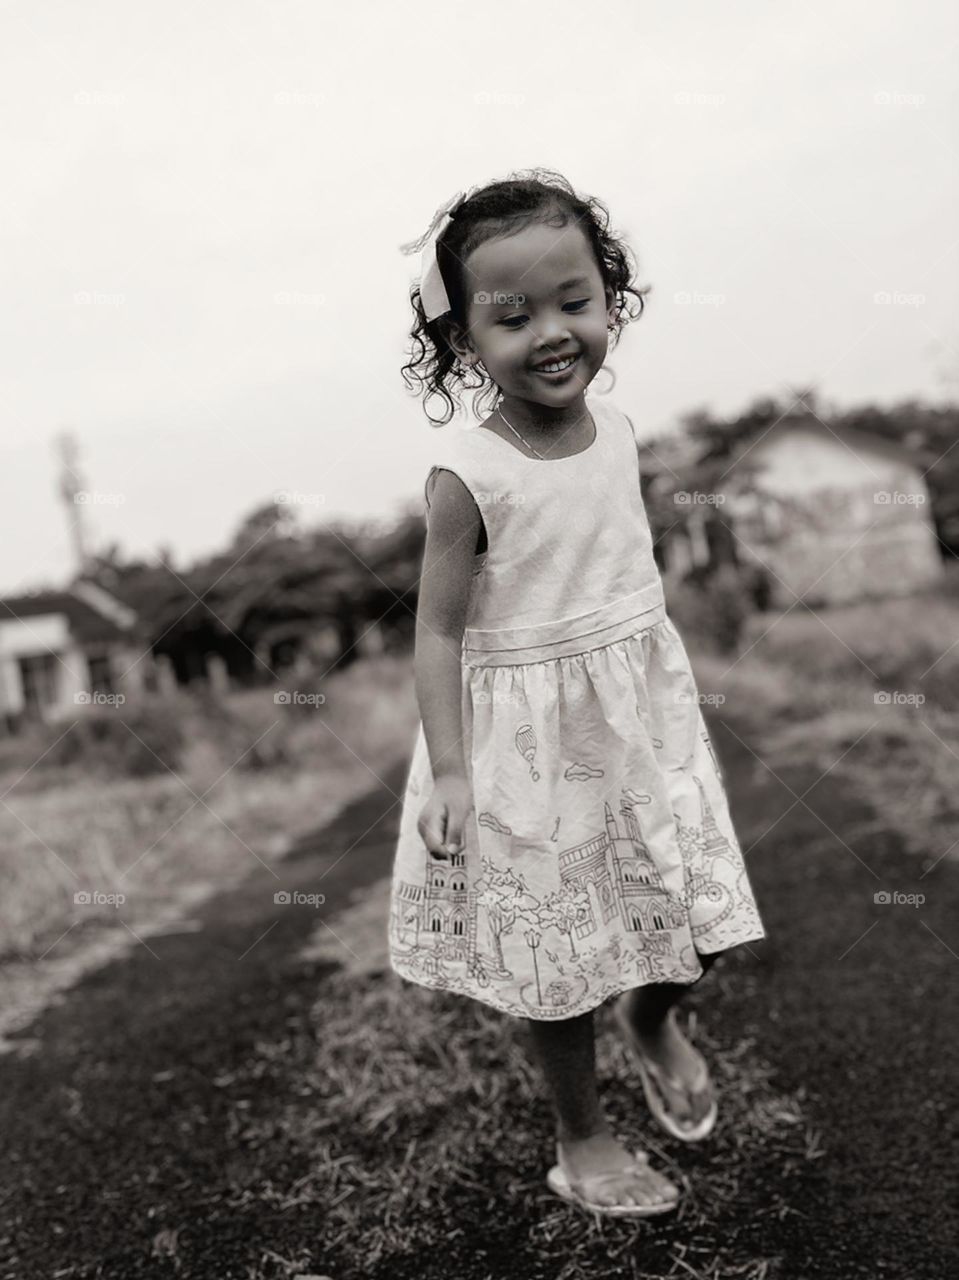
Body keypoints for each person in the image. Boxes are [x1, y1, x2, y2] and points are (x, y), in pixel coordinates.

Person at [387, 169, 767, 1218]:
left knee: (699, 922)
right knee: (559, 962)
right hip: (524, 746)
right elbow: (436, 629)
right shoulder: (467, 473)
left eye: (573, 300)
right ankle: (582, 1137)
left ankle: (652, 1019)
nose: (550, 332)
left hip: (636, 721)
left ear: (610, 299)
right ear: (462, 338)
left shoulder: (623, 433)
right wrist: (455, 770)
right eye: (511, 316)